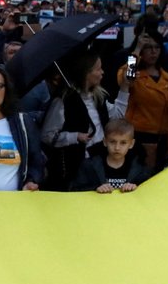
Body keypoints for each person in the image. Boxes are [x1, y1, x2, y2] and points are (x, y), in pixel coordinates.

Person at [42, 52, 124, 190]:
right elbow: (47, 136)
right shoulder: (64, 101)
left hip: (98, 162)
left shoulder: (98, 97)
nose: (102, 72)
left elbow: (117, 117)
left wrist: (125, 88)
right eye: (98, 69)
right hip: (75, 168)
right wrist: (75, 137)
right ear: (86, 73)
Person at [116, 35, 168, 173]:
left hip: (160, 140)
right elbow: (125, 77)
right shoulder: (134, 76)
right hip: (137, 138)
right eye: (148, 48)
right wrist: (137, 49)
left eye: (156, 48)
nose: (153, 52)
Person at [70, 119, 149, 192]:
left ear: (131, 144)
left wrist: (136, 187)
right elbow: (75, 190)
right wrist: (95, 189)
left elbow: (149, 192)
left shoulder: (140, 168)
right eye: (112, 142)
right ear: (105, 141)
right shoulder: (89, 166)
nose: (117, 148)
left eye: (123, 143)